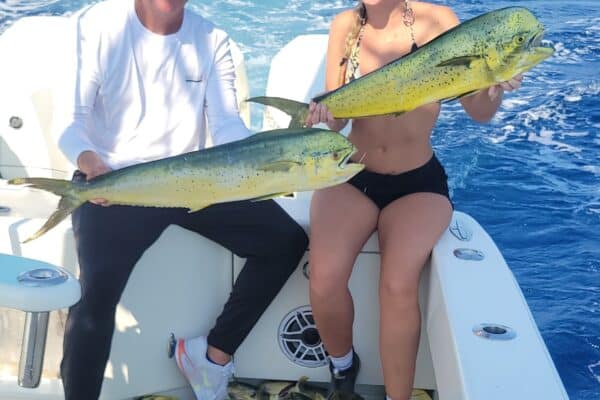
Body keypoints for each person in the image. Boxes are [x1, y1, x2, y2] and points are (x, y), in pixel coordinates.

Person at [54, 1, 308, 399]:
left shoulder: (213, 39)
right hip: (117, 181)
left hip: (193, 182)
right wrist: (92, 165)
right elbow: (69, 122)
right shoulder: (96, 25)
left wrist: (266, 156)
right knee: (94, 301)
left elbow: (226, 127)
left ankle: (212, 356)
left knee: (285, 241)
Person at [305, 1, 523, 399]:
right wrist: (324, 113)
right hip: (352, 174)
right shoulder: (344, 26)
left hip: (418, 184)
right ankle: (342, 367)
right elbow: (338, 116)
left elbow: (478, 110)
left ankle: (397, 396)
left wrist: (496, 81)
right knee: (323, 279)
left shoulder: (439, 21)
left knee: (397, 284)